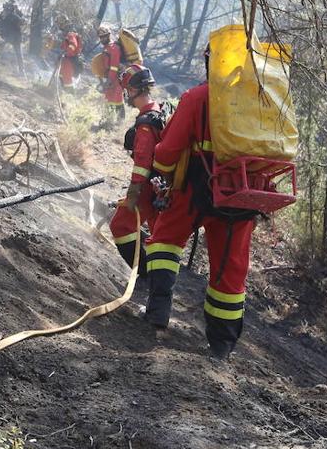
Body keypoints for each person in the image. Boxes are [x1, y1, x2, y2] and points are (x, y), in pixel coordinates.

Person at [141, 53, 259, 362]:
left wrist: (162, 172)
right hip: (242, 196)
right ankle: (222, 344)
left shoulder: (198, 97)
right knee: (230, 267)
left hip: (196, 188)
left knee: (165, 239)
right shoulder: (262, 103)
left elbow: (167, 152)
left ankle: (158, 311)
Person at [109, 64, 165, 279]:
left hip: (147, 188)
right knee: (158, 236)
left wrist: (133, 194)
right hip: (160, 187)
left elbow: (142, 162)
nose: (126, 95)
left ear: (133, 90)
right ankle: (155, 275)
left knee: (121, 226)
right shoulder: (158, 110)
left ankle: (144, 274)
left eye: (127, 91)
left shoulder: (145, 124)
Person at [97, 25, 124, 126]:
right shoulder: (107, 48)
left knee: (117, 99)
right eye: (100, 37)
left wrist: (109, 81)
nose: (102, 39)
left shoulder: (114, 48)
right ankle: (108, 120)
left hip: (116, 78)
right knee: (109, 99)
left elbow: (114, 67)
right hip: (110, 77)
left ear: (108, 36)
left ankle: (120, 122)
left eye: (104, 36)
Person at [0, 0, 26, 78]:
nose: (5, 10)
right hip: (9, 36)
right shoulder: (3, 16)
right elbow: (0, 25)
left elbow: (22, 23)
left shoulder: (14, 16)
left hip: (15, 37)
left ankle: (22, 72)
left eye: (7, 9)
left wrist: (21, 21)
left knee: (19, 54)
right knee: (1, 47)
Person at [56, 16, 83, 88]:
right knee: (61, 75)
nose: (59, 27)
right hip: (67, 59)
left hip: (70, 60)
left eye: (60, 24)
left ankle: (69, 92)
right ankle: (62, 89)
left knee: (67, 78)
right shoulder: (67, 35)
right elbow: (64, 46)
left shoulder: (70, 34)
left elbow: (73, 45)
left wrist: (65, 52)